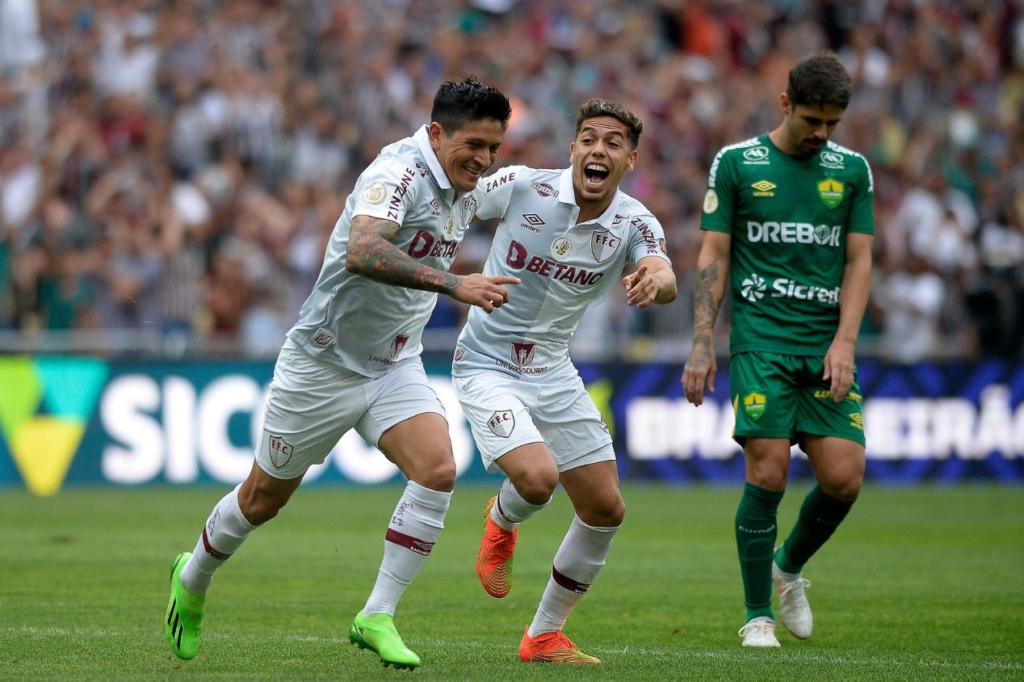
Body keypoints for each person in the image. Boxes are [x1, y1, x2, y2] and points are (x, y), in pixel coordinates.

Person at [164, 76, 517, 670]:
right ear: (436, 134)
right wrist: (458, 283)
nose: (482, 161)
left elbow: (536, 189)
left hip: (393, 365)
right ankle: (192, 575)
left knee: (437, 468)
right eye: (473, 145)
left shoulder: (466, 183)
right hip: (322, 364)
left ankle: (376, 613)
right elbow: (363, 250)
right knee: (262, 499)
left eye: (493, 150)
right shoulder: (397, 172)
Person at [452, 99, 677, 664]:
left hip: (552, 369)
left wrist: (656, 280)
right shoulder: (522, 186)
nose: (598, 150)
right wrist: (446, 271)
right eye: (589, 139)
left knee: (605, 508)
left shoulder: (633, 221)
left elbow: (664, 271)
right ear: (573, 149)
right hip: (486, 360)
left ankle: (544, 635)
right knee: (536, 480)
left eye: (613, 143)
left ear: (629, 159)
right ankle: (501, 521)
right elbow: (451, 203)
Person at [681, 53, 874, 648]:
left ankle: (787, 568)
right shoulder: (738, 164)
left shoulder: (853, 171)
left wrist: (844, 342)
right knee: (767, 467)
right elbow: (713, 252)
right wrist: (701, 342)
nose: (821, 134)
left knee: (844, 478)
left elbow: (859, 258)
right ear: (785, 103)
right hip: (762, 338)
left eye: (832, 124)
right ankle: (756, 614)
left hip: (823, 344)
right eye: (812, 119)